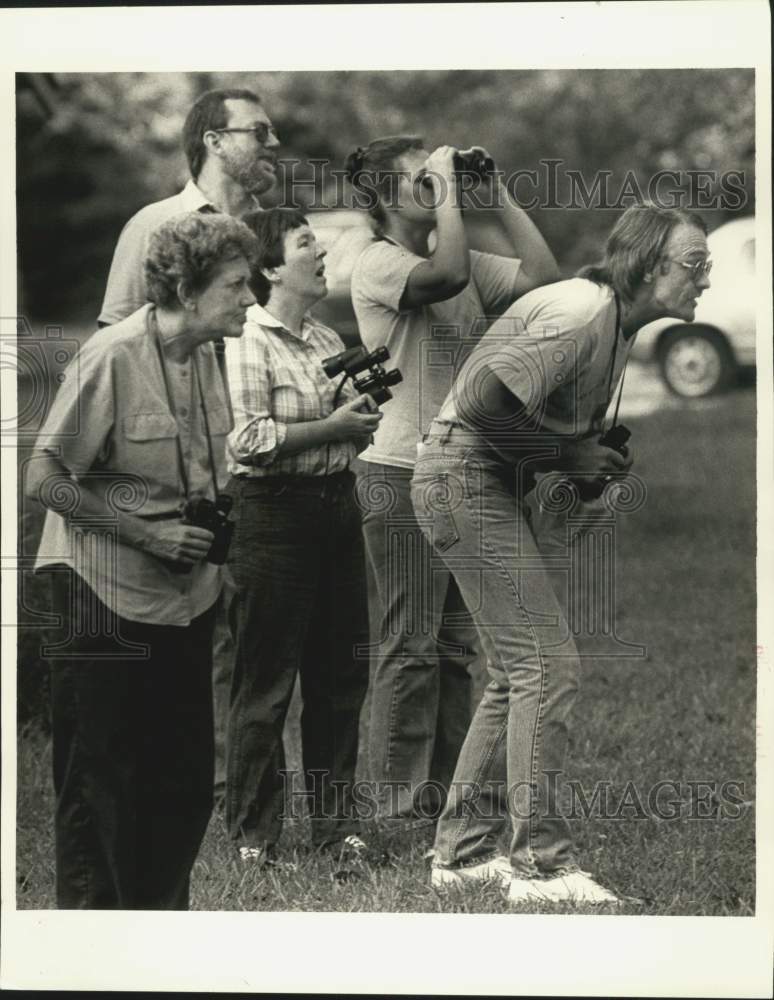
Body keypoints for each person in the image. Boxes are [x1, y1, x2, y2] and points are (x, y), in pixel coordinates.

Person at [411, 203, 711, 903]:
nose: (705, 280)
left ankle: (460, 855)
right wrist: (567, 451)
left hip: (481, 479)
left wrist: (584, 462)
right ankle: (541, 867)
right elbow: (482, 404)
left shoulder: (615, 324)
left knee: (519, 671)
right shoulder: (580, 310)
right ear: (646, 265)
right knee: (547, 664)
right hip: (461, 477)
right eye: (694, 265)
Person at [27, 212, 258, 908]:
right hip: (101, 598)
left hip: (184, 598)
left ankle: (162, 943)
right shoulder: (113, 355)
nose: (251, 300)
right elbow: (44, 477)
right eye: (238, 286)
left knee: (183, 784)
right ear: (188, 292)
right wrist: (148, 534)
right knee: (103, 789)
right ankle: (92, 960)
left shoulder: (207, 354)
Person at [344, 136, 559, 830]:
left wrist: (495, 198)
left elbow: (546, 283)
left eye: (436, 178)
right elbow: (444, 277)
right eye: (420, 179)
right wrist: (454, 199)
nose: (437, 188)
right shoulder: (379, 262)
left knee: (460, 649)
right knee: (410, 649)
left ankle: (448, 801)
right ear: (382, 196)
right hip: (395, 469)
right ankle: (394, 811)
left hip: (459, 474)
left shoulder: (457, 254)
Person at [96, 87, 279, 802]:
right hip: (182, 467)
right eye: (257, 132)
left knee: (246, 641)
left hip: (257, 459)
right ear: (212, 138)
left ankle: (234, 790)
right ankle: (187, 787)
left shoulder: (265, 230)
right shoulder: (156, 224)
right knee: (190, 639)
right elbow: (118, 334)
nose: (270, 144)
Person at [224, 208, 382, 864]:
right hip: (271, 516)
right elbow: (248, 439)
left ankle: (335, 828)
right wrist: (334, 429)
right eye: (306, 243)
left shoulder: (323, 338)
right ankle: (253, 836)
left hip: (335, 510)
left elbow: (340, 426)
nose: (322, 253)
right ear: (269, 267)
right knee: (265, 682)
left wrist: (357, 420)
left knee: (340, 677)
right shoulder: (247, 338)